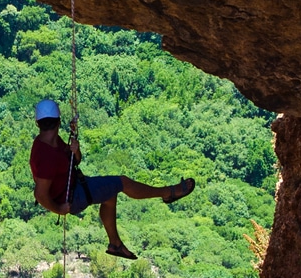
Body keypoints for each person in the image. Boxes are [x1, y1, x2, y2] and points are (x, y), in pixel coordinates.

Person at [28, 97, 193, 260]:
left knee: (109, 194)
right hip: (71, 197)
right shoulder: (46, 154)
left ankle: (115, 244)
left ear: (38, 124)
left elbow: (75, 161)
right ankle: (168, 192)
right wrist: (59, 208)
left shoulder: (52, 141)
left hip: (72, 187)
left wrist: (75, 150)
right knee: (121, 182)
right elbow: (40, 195)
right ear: (58, 121)